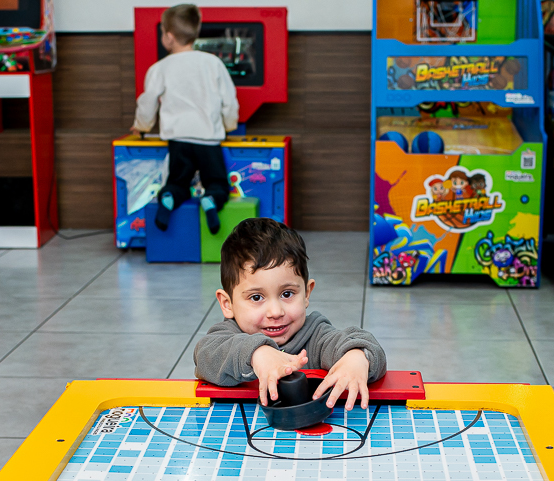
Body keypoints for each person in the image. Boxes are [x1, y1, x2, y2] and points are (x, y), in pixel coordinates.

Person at [195, 218, 387, 409]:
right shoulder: (227, 336)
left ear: (306, 293)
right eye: (256, 297)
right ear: (227, 304)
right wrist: (257, 353)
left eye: (287, 294)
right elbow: (204, 356)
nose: (275, 312)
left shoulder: (315, 336)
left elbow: (367, 346)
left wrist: (357, 358)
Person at [132, 4, 239, 236]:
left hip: (178, 140)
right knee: (217, 183)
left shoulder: (160, 68)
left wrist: (141, 126)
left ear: (169, 37)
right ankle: (211, 199)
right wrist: (229, 125)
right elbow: (229, 101)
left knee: (177, 182)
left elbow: (147, 102)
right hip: (208, 140)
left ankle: (168, 197)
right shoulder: (213, 64)